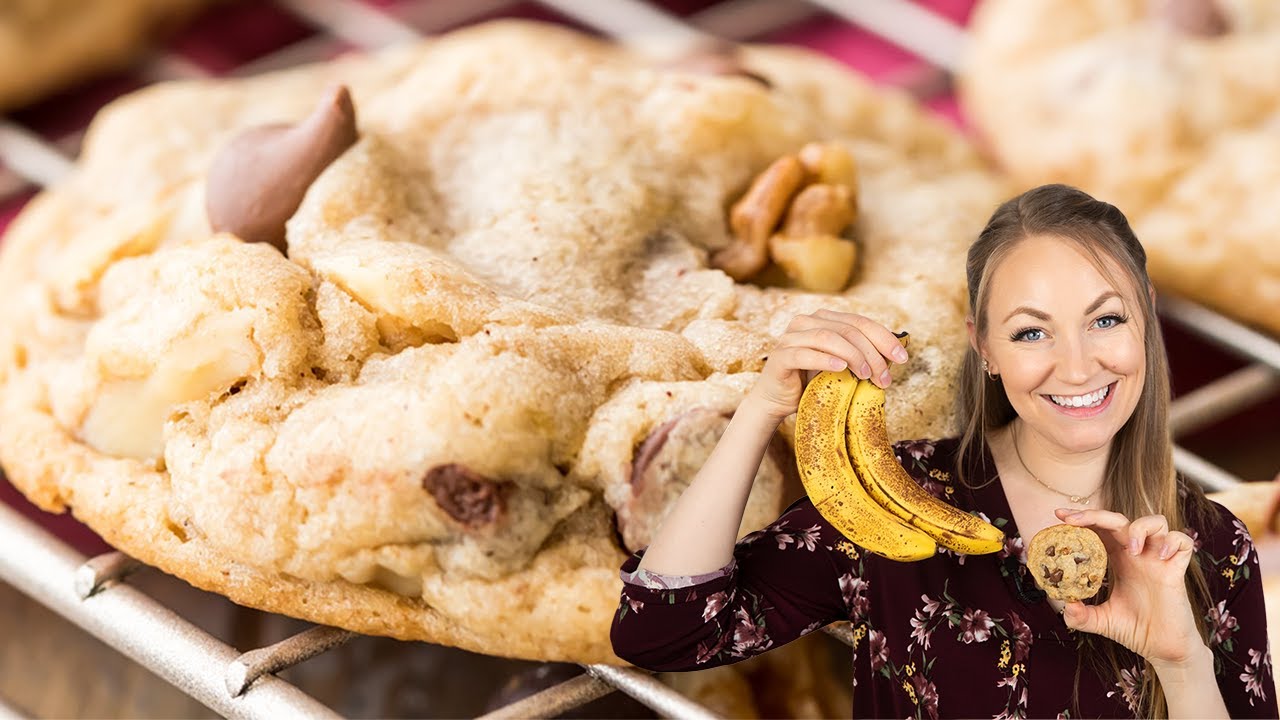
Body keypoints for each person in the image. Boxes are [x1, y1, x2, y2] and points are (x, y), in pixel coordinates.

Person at [609, 184, 1276, 719]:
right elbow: (664, 633)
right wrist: (761, 409)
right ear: (983, 347)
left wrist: (1181, 660)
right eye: (1030, 333)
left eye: (1106, 319)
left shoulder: (1213, 547)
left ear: (1147, 319)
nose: (1076, 368)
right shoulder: (901, 498)